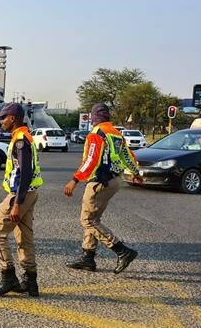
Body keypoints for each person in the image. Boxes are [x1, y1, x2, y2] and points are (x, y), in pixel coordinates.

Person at [64, 103, 140, 274]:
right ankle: (88, 257)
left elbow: (91, 161)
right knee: (93, 218)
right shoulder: (115, 133)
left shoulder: (97, 133)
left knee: (88, 220)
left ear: (94, 117)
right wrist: (136, 172)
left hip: (100, 181)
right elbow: (127, 155)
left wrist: (74, 180)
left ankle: (122, 251)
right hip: (114, 181)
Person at [0, 103, 43, 297]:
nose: (1, 121)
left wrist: (17, 204)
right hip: (30, 192)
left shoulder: (20, 140)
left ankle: (8, 276)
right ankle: (30, 280)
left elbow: (25, 172)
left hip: (21, 194)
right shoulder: (24, 137)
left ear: (12, 118)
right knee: (24, 236)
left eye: (3, 118)